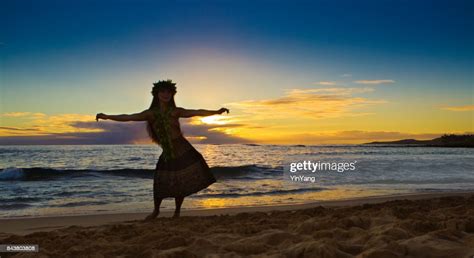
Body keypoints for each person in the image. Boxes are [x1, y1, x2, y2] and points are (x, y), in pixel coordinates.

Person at [96, 79, 229, 220]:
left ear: (172, 94)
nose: (166, 94)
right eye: (162, 91)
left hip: (183, 148)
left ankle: (177, 212)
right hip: (167, 151)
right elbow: (129, 117)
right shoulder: (150, 114)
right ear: (156, 94)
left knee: (181, 181)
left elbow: (196, 112)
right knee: (160, 179)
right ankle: (156, 211)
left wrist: (216, 112)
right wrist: (107, 116)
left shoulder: (175, 111)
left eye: (169, 92)